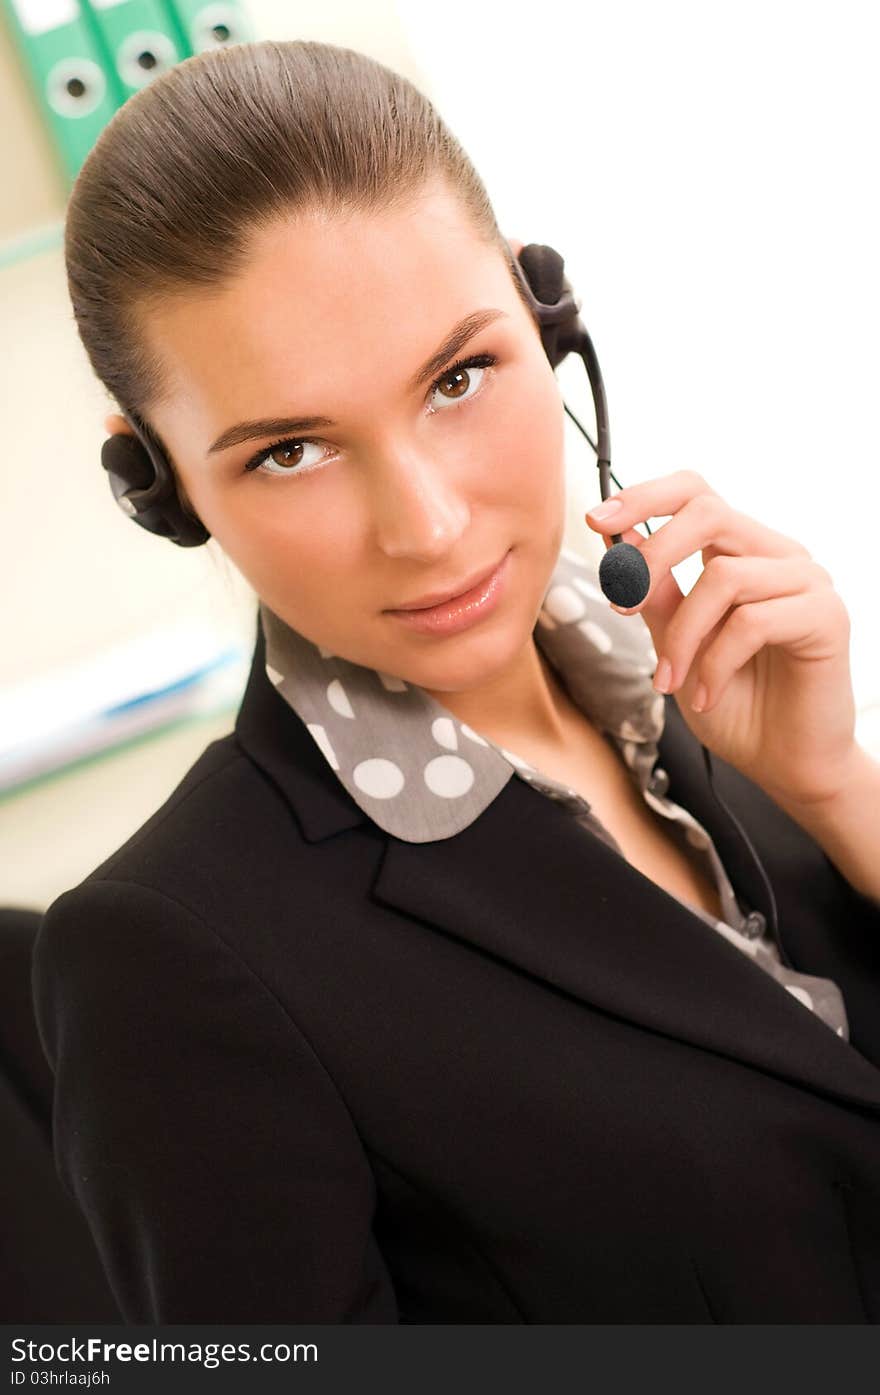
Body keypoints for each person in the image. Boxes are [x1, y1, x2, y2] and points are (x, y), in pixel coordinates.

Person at [32, 38, 880, 1325]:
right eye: (292, 449)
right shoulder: (169, 960)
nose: (425, 525)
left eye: (459, 377)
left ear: (549, 323)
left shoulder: (706, 697)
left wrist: (837, 788)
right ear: (161, 486)